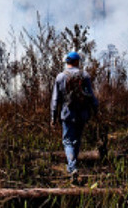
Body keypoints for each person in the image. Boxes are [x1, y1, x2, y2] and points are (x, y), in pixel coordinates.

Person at [50, 51, 99, 182]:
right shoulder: (85, 75)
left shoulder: (60, 77)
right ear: (77, 62)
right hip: (82, 114)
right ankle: (72, 166)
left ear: (67, 62)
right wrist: (96, 111)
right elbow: (92, 97)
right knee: (77, 141)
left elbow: (55, 100)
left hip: (67, 114)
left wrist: (53, 117)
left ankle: (72, 168)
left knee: (67, 141)